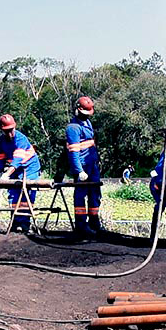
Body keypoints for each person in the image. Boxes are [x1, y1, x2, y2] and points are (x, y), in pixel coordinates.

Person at [0, 114, 41, 233]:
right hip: (15, 170)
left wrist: (7, 174)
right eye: (6, 131)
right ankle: (15, 222)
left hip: (30, 168)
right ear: (2, 130)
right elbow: (0, 157)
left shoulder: (21, 139)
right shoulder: (0, 141)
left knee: (27, 194)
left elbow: (17, 160)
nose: (10, 134)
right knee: (13, 195)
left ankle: (25, 223)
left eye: (11, 130)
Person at [65, 96, 102, 237]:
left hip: (92, 165)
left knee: (95, 194)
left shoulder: (87, 123)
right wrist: (79, 170)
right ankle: (81, 225)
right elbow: (73, 152)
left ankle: (94, 223)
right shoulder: (73, 128)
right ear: (78, 110)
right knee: (80, 195)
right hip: (83, 166)